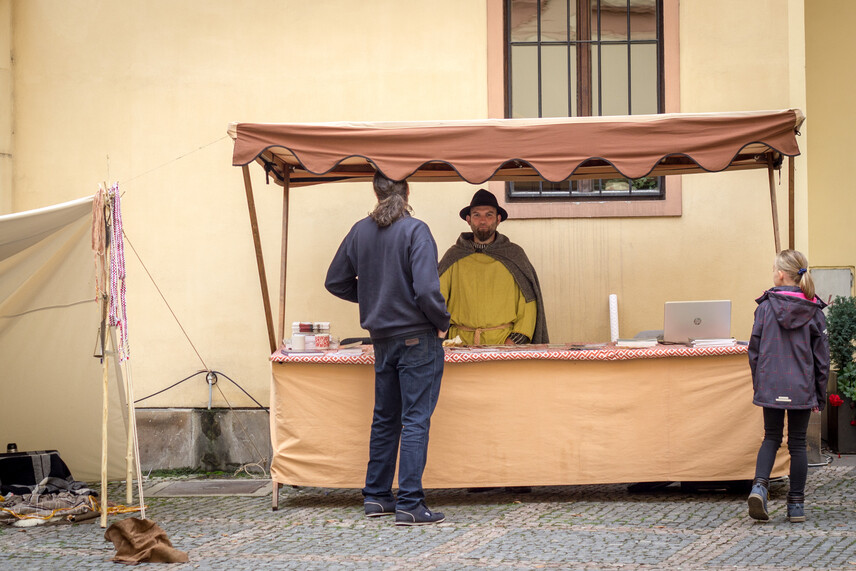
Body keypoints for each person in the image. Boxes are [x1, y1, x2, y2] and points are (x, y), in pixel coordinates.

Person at [325, 171, 450, 526]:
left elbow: (335, 281)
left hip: (382, 339)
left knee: (385, 419)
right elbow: (427, 290)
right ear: (407, 191)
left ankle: (377, 497)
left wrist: (372, 297)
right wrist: (442, 321)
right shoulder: (416, 230)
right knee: (414, 420)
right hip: (417, 337)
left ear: (376, 192)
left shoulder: (360, 230)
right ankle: (411, 503)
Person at [747, 249, 829, 523]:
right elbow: (822, 360)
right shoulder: (814, 311)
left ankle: (759, 487)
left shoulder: (765, 308)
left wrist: (760, 383)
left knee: (771, 437)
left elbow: (754, 351)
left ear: (781, 275)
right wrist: (819, 395)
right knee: (797, 444)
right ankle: (796, 506)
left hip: (771, 383)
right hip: (801, 386)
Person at [438, 189, 548, 346]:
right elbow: (436, 300)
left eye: (489, 215)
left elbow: (529, 302)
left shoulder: (514, 255)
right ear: (468, 220)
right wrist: (444, 338)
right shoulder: (453, 257)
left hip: (504, 345)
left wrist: (515, 340)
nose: (483, 220)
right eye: (477, 215)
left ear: (498, 219)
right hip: (460, 345)